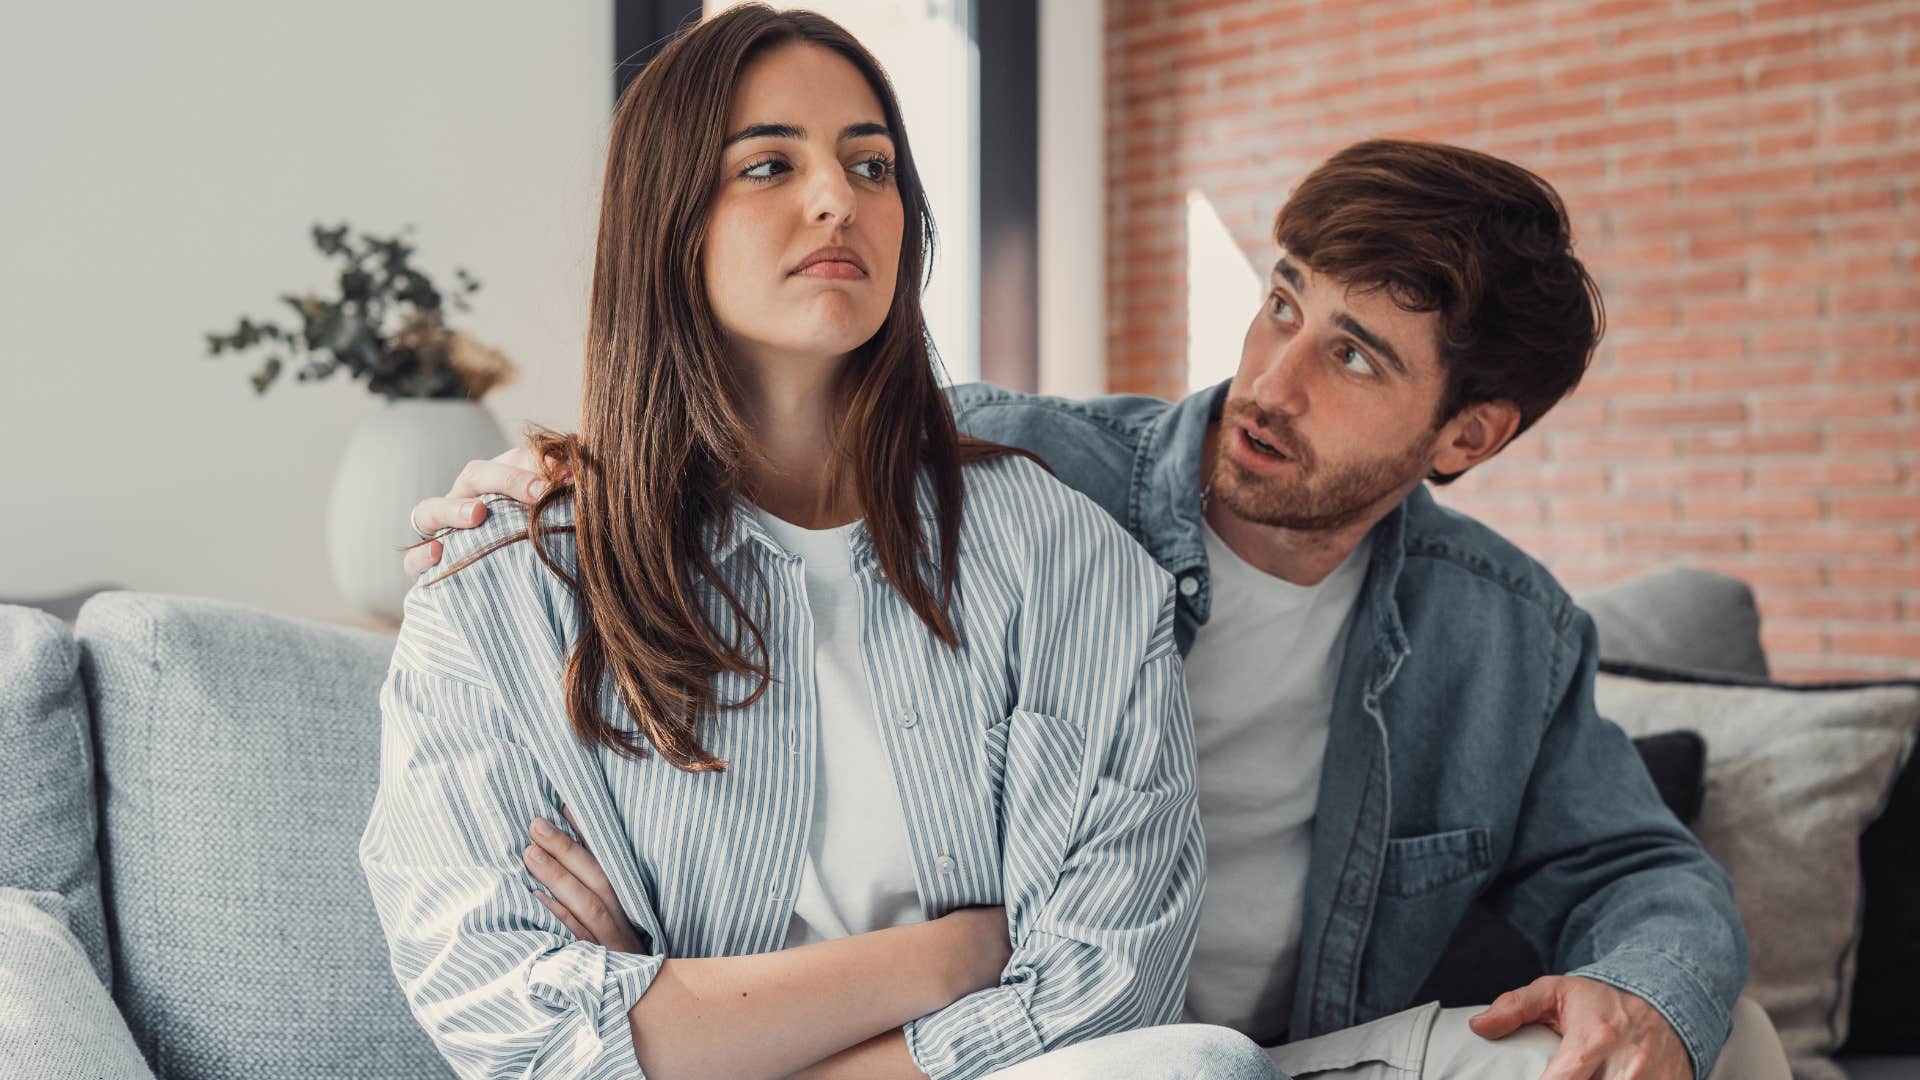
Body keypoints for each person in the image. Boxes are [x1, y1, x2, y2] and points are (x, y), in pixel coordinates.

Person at [413, 138, 1795, 1079]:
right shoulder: (1009, 473)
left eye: (1356, 357)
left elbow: (1645, 875)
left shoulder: (1504, 633)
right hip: (1008, 1051)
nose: (1272, 382)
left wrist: (1648, 1002)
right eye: (1282, 305)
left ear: (1467, 433)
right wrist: (555, 482)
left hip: (1296, 1056)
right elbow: (743, 461)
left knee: (1725, 1031)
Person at [358, 7, 1283, 1079]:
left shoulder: (1064, 559)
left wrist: (696, 1025)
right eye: (767, 165)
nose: (837, 197)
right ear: (670, 219)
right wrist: (957, 953)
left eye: (872, 163)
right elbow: (504, 1017)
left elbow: (1111, 986)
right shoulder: (505, 586)